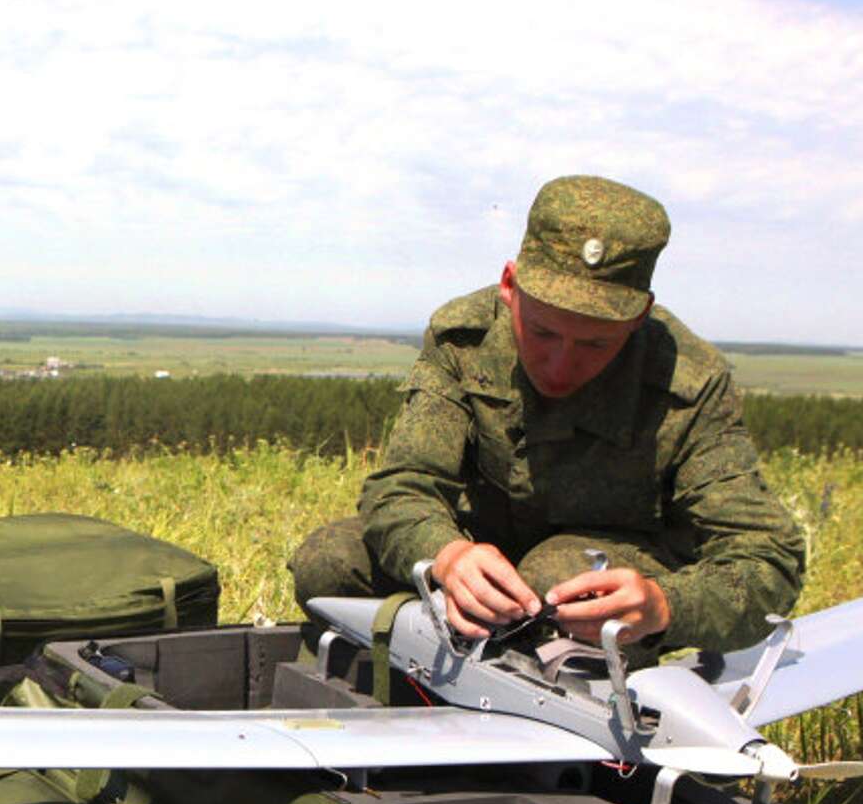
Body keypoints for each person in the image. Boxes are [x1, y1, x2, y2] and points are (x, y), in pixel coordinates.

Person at [289, 175, 804, 653]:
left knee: (556, 579)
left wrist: (665, 605)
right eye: (543, 333)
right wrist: (444, 556)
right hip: (480, 552)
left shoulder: (687, 382)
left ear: (640, 316)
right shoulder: (464, 340)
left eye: (596, 344)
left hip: (593, 580)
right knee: (329, 563)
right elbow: (402, 486)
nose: (561, 364)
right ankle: (406, 701)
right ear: (509, 286)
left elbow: (767, 561)